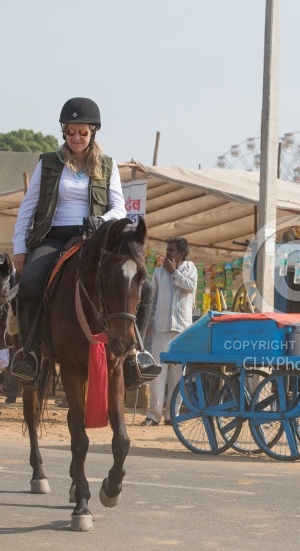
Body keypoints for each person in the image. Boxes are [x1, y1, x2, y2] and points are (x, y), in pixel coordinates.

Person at [11, 97, 160, 387]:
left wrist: (101, 221)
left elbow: (119, 208)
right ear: (64, 132)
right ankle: (28, 355)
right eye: (71, 132)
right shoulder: (49, 163)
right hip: (52, 237)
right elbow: (28, 207)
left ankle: (134, 356)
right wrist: (20, 247)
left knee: (148, 288)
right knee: (28, 284)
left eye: (83, 132)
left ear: (93, 133)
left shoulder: (107, 165)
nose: (77, 137)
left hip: (93, 239)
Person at [141, 237, 197, 426]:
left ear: (180, 253)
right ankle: (153, 414)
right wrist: (148, 321)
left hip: (182, 330)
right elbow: (152, 298)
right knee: (158, 372)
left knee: (178, 374)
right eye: (167, 250)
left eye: (171, 250)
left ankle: (173, 415)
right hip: (161, 328)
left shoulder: (191, 269)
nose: (167, 253)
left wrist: (173, 272)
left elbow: (190, 287)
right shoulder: (158, 272)